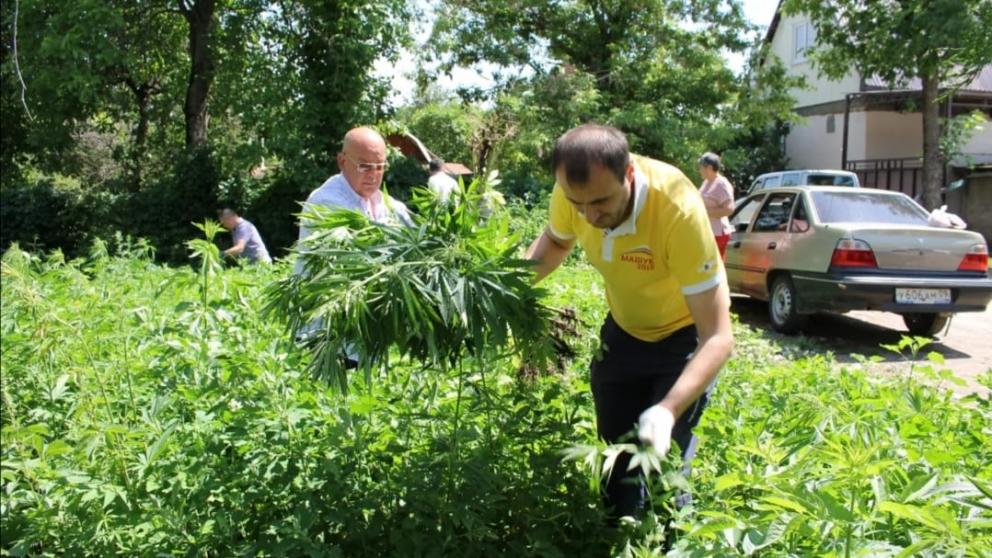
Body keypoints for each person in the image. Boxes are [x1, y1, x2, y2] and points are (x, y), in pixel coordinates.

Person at [525, 124, 733, 520]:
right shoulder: (577, 189)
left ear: (629, 175)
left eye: (601, 202)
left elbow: (718, 338)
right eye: (578, 204)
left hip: (683, 339)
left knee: (663, 470)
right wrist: (501, 285)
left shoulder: (676, 208)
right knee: (616, 463)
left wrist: (668, 409)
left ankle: (670, 539)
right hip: (624, 332)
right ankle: (616, 535)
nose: (589, 215)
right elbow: (556, 240)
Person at [294, 126, 412, 275]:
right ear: (342, 161)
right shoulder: (325, 201)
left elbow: (411, 234)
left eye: (380, 167)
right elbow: (367, 250)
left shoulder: (385, 202)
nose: (373, 175)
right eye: (365, 166)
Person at [697, 152, 735, 259]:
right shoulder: (706, 182)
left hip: (718, 233)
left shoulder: (721, 183)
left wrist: (705, 213)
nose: (699, 170)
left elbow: (729, 209)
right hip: (708, 232)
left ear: (709, 168)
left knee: (713, 268)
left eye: (700, 167)